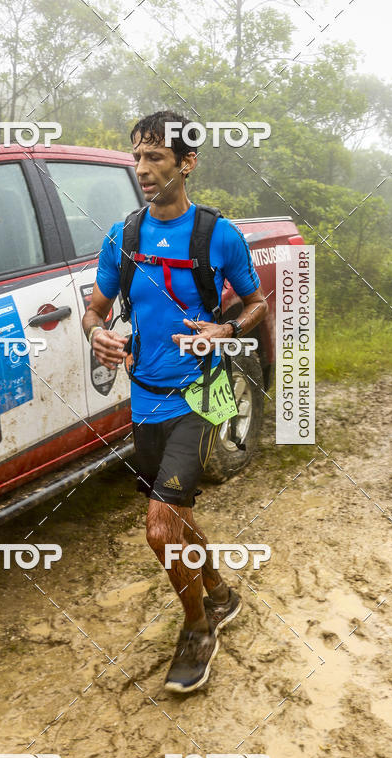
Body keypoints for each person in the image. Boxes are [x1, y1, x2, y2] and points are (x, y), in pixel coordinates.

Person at [82, 110, 268, 693]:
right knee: (180, 516)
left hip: (199, 395)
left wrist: (228, 332)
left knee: (159, 528)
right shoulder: (124, 237)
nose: (142, 169)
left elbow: (256, 303)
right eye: (137, 157)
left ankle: (197, 629)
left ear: (187, 163)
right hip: (146, 400)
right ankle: (221, 592)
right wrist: (97, 333)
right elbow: (95, 307)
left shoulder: (218, 235)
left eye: (155, 157)